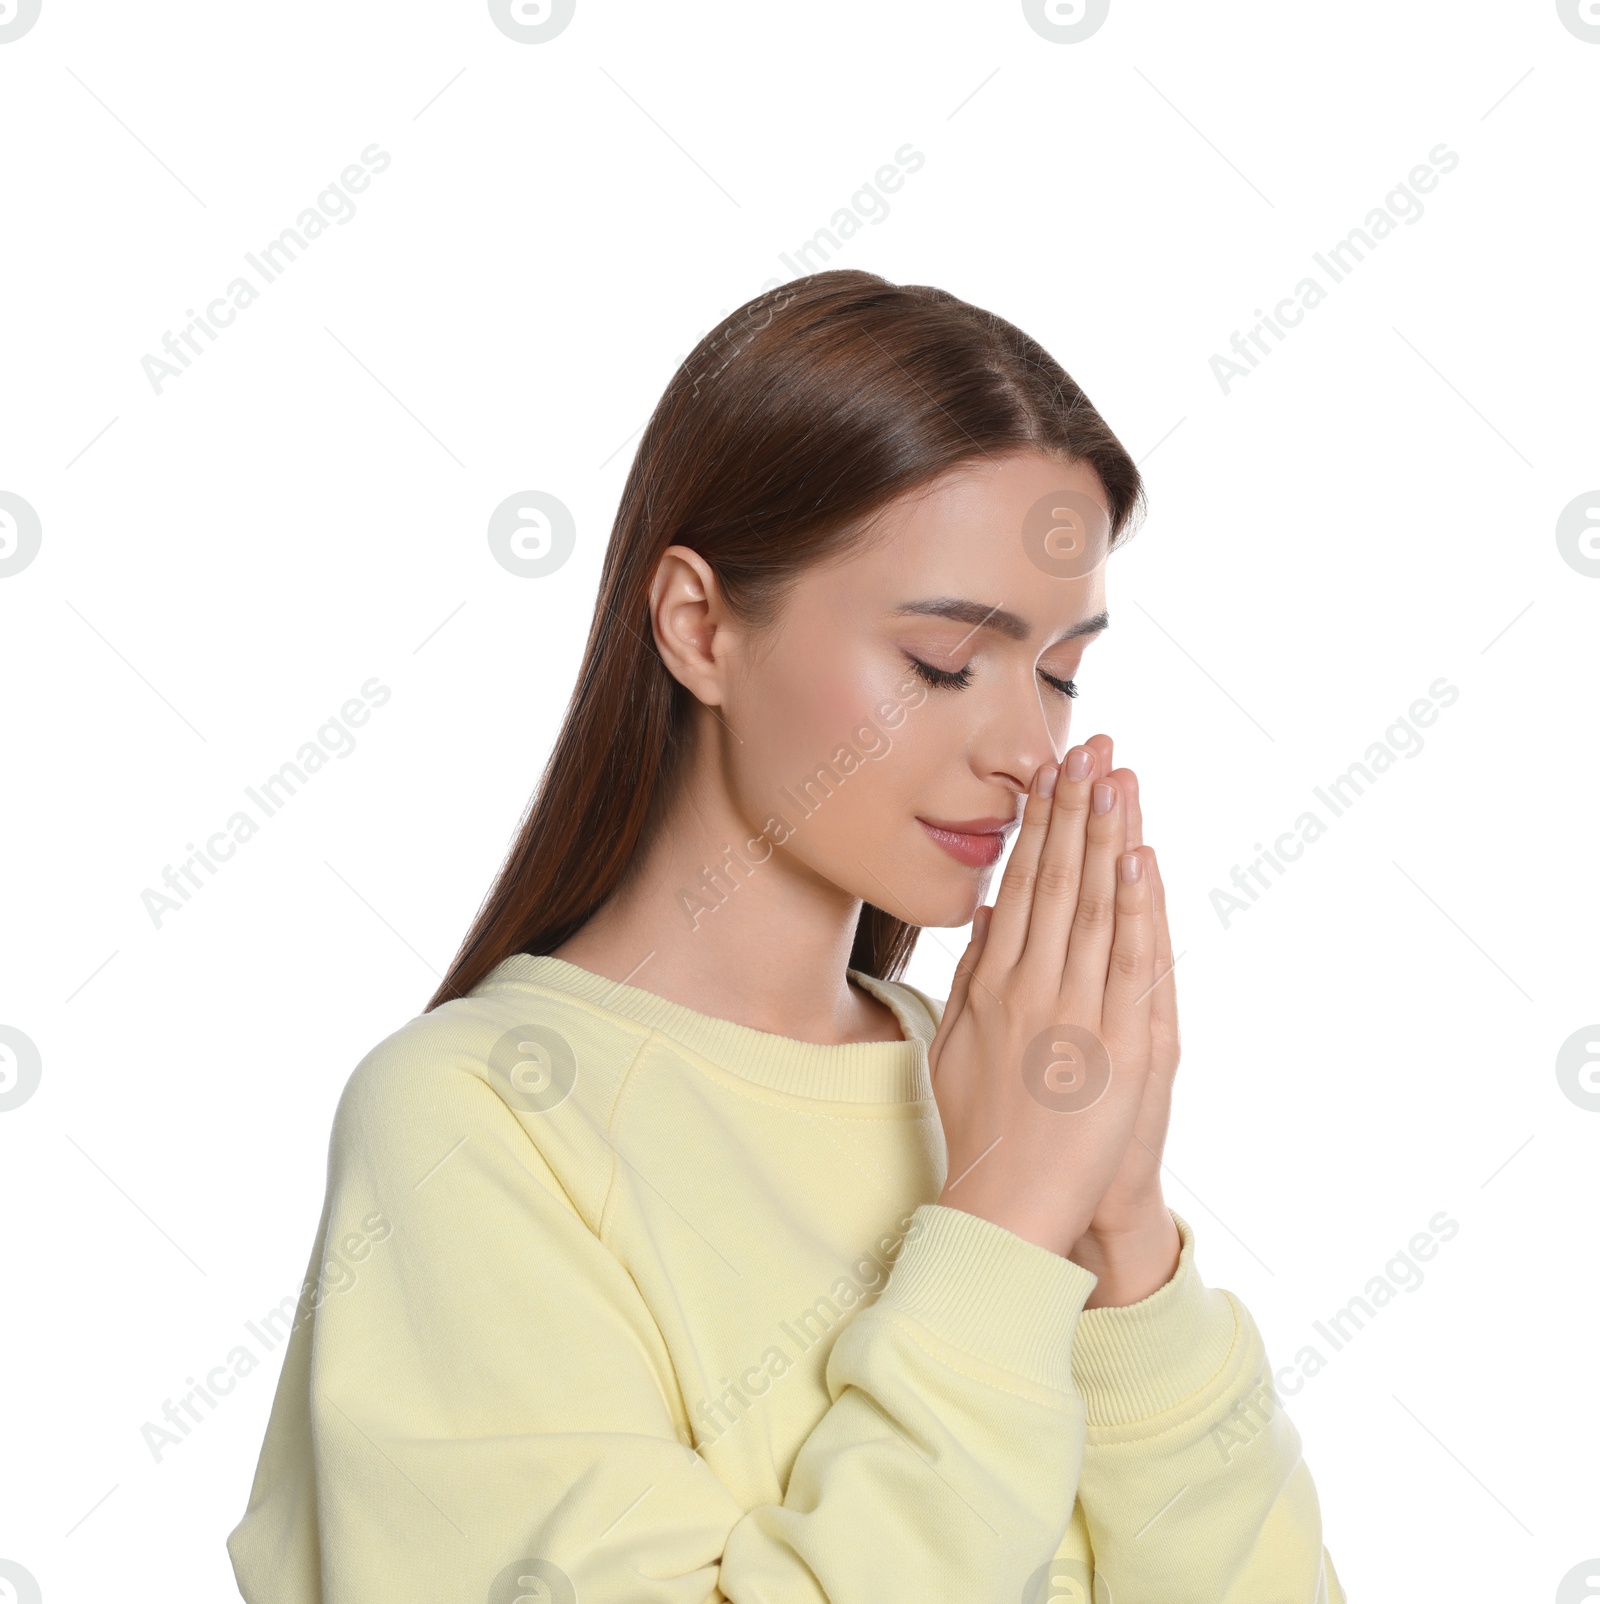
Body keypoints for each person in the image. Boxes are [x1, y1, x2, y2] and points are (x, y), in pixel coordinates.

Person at [227, 269, 1345, 1602]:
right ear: (700, 625)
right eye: (943, 661)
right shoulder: (478, 1122)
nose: (1026, 749)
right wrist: (999, 1228)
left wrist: (1120, 1236)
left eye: (1062, 675)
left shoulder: (991, 1088)